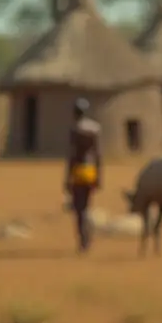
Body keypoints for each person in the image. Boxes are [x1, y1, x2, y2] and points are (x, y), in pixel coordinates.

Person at [64, 98, 102, 253]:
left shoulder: (75, 129)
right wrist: (99, 175)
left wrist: (67, 177)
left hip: (79, 172)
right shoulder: (95, 129)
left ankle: (83, 239)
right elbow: (98, 154)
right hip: (91, 170)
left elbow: (73, 155)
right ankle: (88, 235)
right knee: (87, 205)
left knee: (79, 208)